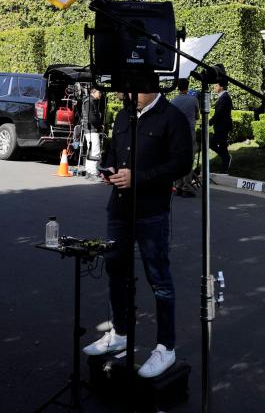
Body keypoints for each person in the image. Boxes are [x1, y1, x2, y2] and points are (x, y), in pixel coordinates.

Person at [84, 88, 193, 379]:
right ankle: (119, 333)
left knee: (159, 279)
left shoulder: (172, 117)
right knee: (115, 271)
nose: (128, 93)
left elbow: (182, 164)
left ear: (154, 86)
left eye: (134, 88)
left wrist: (139, 178)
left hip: (151, 211)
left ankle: (165, 347)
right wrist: (108, 169)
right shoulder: (123, 115)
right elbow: (112, 152)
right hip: (119, 209)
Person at [169, 79, 199, 197]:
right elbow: (197, 116)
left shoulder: (173, 101)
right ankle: (186, 186)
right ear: (187, 87)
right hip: (189, 133)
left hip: (176, 133)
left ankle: (178, 185)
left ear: (177, 87)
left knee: (177, 158)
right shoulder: (194, 100)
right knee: (188, 159)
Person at [210, 78, 233, 173]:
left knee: (212, 143)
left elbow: (218, 113)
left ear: (221, 86)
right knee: (222, 146)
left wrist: (209, 122)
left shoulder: (225, 97)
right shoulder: (223, 96)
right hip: (221, 126)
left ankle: (226, 159)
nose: (214, 87)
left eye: (216, 85)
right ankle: (225, 162)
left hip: (222, 127)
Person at [81, 86, 105, 176]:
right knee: (95, 151)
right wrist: (99, 125)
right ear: (93, 92)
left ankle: (89, 169)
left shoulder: (88, 101)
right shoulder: (90, 102)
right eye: (99, 92)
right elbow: (92, 118)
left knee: (90, 150)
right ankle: (93, 171)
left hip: (89, 129)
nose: (101, 94)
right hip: (92, 129)